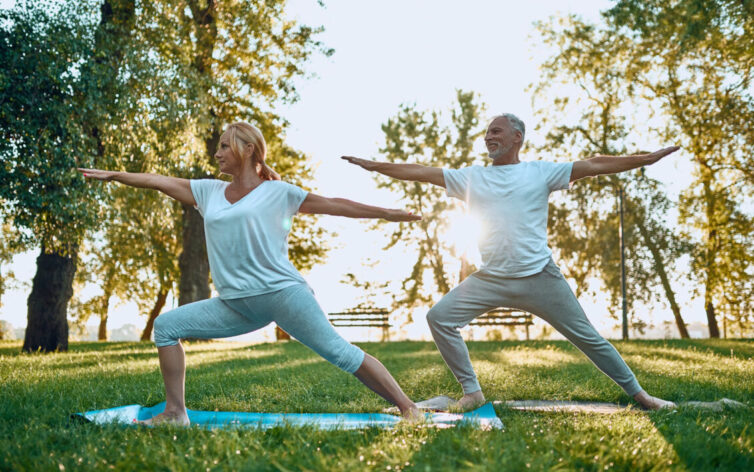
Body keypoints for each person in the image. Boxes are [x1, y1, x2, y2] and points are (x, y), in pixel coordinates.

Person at [79, 121, 421, 425]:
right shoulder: (208, 191)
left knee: (341, 354)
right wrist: (115, 175)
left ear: (248, 148)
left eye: (224, 146)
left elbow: (335, 204)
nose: (217, 154)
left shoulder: (279, 192)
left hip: (284, 296)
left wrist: (387, 213)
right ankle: (174, 412)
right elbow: (157, 181)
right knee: (167, 327)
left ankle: (409, 409)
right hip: (235, 304)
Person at [342, 113, 678, 411]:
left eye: (496, 131)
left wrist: (646, 159)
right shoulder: (471, 178)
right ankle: (471, 392)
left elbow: (595, 164)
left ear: (517, 137)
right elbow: (420, 172)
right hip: (492, 279)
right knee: (440, 318)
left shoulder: (540, 172)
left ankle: (641, 396)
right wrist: (376, 166)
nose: (489, 137)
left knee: (589, 338)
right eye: (487, 133)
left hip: (540, 277)